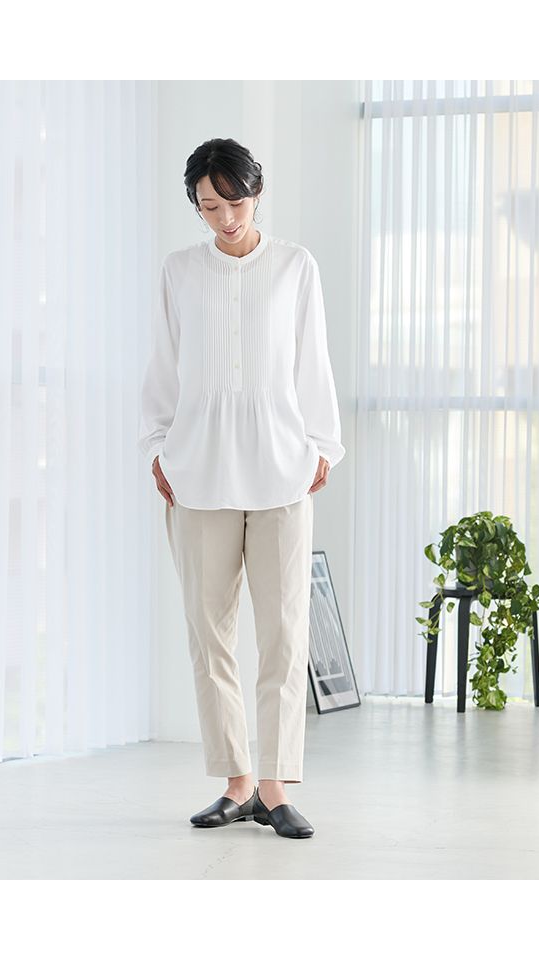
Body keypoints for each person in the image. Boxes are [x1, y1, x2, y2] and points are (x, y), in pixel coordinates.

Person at [138, 137, 345, 839]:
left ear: (256, 193)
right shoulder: (179, 271)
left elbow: (313, 361)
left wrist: (323, 446)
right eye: (208, 206)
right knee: (210, 635)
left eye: (234, 202)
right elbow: (163, 366)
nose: (224, 218)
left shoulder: (294, 266)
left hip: (282, 469)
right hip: (197, 474)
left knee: (283, 633)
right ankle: (236, 782)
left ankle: (276, 786)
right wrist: (156, 449)